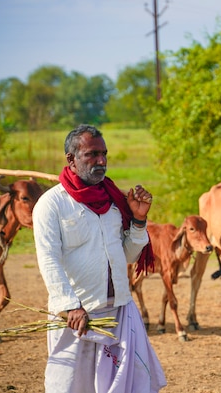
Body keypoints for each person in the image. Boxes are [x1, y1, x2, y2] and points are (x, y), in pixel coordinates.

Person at [33, 124, 166, 393]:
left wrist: (138, 220)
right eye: (91, 155)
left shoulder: (114, 200)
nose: (101, 161)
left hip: (119, 310)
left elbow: (127, 255)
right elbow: (49, 260)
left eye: (104, 154)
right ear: (71, 159)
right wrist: (70, 306)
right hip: (78, 316)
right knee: (73, 386)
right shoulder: (51, 204)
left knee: (127, 386)